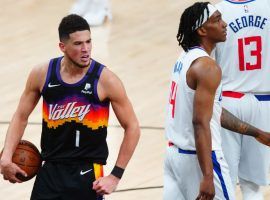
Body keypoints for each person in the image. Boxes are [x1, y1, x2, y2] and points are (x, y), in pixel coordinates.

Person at [0, 14, 140, 200]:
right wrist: (6, 156)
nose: (86, 49)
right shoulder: (42, 74)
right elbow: (20, 116)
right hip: (50, 171)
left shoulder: (106, 80)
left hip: (87, 175)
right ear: (62, 47)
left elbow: (133, 128)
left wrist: (115, 175)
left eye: (89, 41)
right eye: (78, 44)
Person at [164, 2, 270, 200]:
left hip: (174, 155)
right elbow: (200, 122)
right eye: (217, 20)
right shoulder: (208, 68)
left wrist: (256, 133)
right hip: (201, 157)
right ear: (202, 29)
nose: (224, 24)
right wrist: (207, 176)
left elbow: (213, 112)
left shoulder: (183, 58)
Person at [214, 0, 270, 199]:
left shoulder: (217, 12)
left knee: (224, 181)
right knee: (254, 187)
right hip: (264, 104)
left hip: (228, 103)